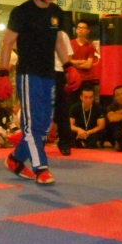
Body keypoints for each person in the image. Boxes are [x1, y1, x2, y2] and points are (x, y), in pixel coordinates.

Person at [0, 0, 79, 185]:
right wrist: (2, 73)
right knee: (32, 125)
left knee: (44, 125)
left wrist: (69, 66)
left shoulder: (56, 12)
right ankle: (41, 167)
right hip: (28, 75)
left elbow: (59, 42)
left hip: (49, 74)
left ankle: (15, 159)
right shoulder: (22, 12)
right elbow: (7, 42)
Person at [52, 27, 76, 155]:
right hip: (41, 74)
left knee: (62, 109)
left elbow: (69, 57)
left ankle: (65, 142)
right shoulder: (37, 31)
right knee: (41, 109)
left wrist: (69, 74)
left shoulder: (62, 34)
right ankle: (38, 140)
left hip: (59, 72)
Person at [69, 20, 99, 91]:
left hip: (87, 78)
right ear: (76, 30)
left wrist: (74, 64)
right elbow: (68, 61)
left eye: (83, 28)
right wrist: (83, 61)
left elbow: (88, 65)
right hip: (73, 78)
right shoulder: (70, 43)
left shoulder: (90, 46)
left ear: (88, 31)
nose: (80, 29)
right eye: (79, 27)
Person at [105, 85, 122, 149]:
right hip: (115, 133)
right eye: (118, 95)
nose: (121, 96)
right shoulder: (111, 107)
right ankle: (118, 142)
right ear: (115, 98)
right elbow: (112, 118)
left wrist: (120, 112)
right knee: (116, 124)